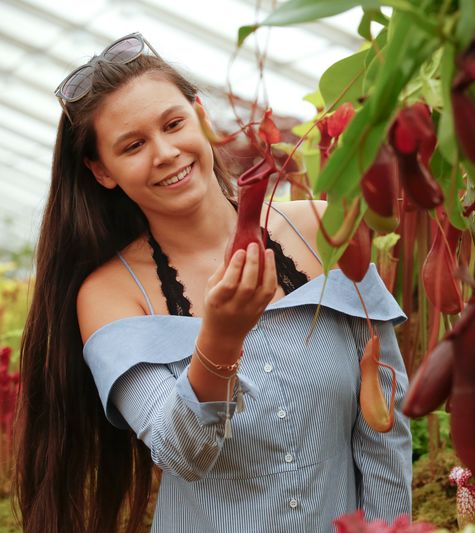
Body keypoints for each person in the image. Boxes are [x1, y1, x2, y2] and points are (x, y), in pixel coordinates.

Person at [14, 32, 411, 533]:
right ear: (102, 171)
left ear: (201, 118)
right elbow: (180, 452)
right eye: (133, 146)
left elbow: (385, 425)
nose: (164, 152)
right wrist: (221, 339)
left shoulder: (320, 231)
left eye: (173, 124)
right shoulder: (111, 293)